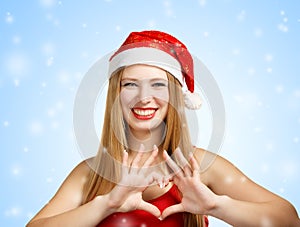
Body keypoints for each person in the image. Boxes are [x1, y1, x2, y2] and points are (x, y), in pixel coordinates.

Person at [26, 30, 299, 227]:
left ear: (176, 96)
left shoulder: (201, 164)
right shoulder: (90, 173)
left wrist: (216, 206)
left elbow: (288, 219)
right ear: (116, 96)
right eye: (130, 84)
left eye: (158, 84)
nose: (144, 97)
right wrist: (107, 204)